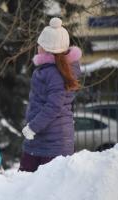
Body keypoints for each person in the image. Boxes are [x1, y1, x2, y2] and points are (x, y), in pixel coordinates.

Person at [19, 17, 82, 172]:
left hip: (54, 143)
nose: (37, 46)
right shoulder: (48, 69)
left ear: (47, 48)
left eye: (40, 44)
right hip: (39, 138)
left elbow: (54, 106)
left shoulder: (55, 73)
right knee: (23, 184)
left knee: (43, 189)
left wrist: (33, 127)